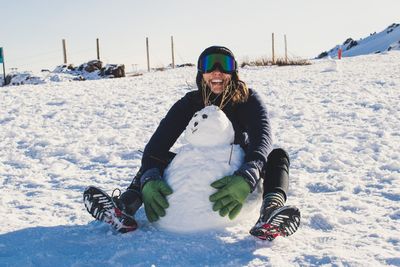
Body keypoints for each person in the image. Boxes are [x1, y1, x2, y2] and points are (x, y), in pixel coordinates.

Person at [84, 46, 300, 241]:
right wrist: (149, 178)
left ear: (233, 72)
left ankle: (270, 211)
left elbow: (262, 140)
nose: (217, 71)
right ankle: (125, 206)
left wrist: (248, 175)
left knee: (276, 155)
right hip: (199, 163)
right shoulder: (189, 103)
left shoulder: (247, 99)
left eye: (224, 65)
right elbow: (155, 147)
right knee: (160, 159)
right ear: (201, 72)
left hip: (239, 167)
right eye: (209, 65)